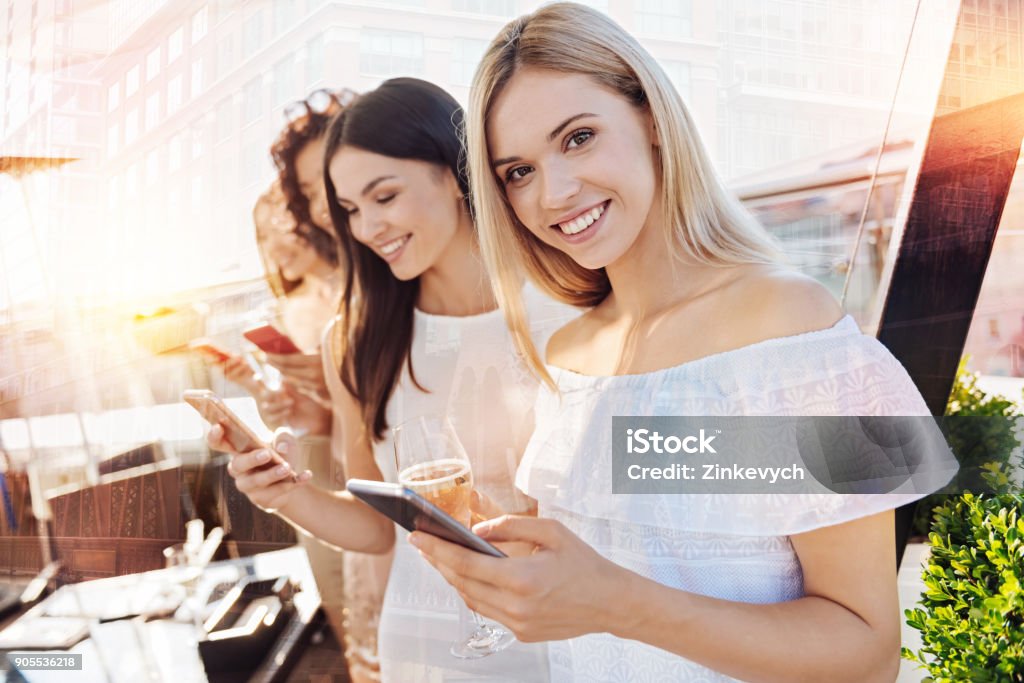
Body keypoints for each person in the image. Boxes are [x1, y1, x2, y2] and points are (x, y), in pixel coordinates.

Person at [412, 4, 957, 682]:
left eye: (578, 137)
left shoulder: (790, 333)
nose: (554, 191)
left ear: (650, 118)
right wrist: (499, 553)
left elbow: (866, 652)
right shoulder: (571, 356)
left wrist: (614, 601)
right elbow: (635, 550)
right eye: (517, 171)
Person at [209, 78, 577, 682]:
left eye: (385, 196)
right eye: (351, 210)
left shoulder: (575, 301)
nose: (366, 227)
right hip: (429, 646)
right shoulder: (354, 340)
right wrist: (284, 494)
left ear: (455, 174)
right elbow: (379, 531)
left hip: (565, 632)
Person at [212, 90, 354, 654]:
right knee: (345, 586)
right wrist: (294, 400)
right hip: (332, 453)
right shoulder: (312, 305)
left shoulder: (371, 292)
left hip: (353, 458)